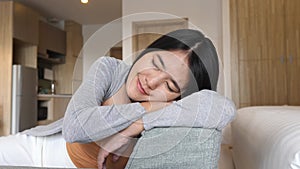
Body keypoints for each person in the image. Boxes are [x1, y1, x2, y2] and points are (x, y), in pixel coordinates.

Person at [0, 29, 236, 169]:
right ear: (147, 52)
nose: (151, 82)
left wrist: (137, 126)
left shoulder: (174, 109)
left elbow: (224, 109)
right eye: (155, 64)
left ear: (181, 95)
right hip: (37, 148)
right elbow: (75, 127)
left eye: (170, 84)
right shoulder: (110, 70)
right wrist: (148, 107)